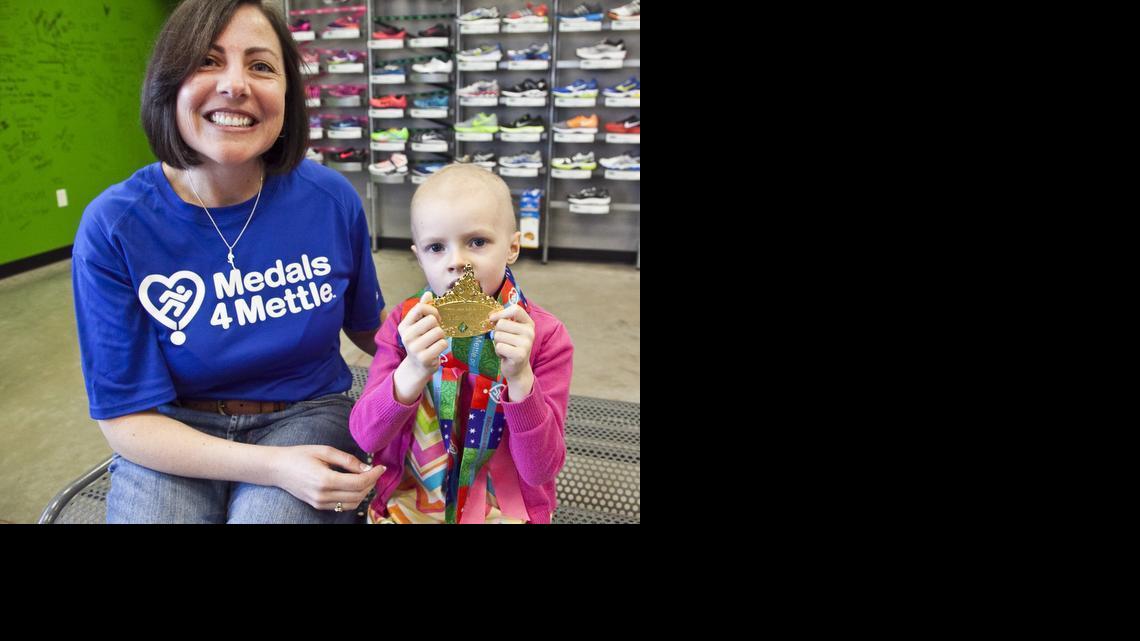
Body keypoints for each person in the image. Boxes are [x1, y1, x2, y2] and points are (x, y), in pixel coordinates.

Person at [71, 0, 385, 523]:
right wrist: (273, 467)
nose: (235, 84)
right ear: (168, 83)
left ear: (288, 94)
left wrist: (461, 349)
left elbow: (372, 330)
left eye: (261, 65)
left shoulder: (331, 200)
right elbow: (125, 417)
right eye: (207, 61)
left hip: (306, 415)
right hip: (175, 429)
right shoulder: (115, 225)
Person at [349, 165, 574, 524]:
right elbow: (366, 437)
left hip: (503, 507)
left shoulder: (545, 338)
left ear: (512, 247)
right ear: (419, 256)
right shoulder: (404, 328)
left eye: (477, 242)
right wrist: (412, 370)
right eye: (436, 247)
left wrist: (521, 379)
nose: (457, 262)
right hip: (413, 498)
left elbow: (541, 469)